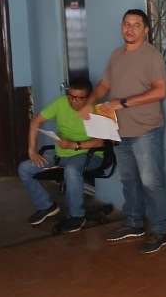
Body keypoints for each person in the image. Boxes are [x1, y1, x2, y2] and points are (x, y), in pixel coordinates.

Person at [80, 9, 166, 255]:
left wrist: (123, 103)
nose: (130, 29)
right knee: (128, 180)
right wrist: (90, 101)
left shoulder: (151, 56)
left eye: (136, 25)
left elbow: (160, 90)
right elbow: (104, 84)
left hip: (145, 129)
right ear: (121, 27)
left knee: (151, 182)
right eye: (126, 24)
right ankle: (133, 223)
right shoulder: (116, 55)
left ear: (145, 30)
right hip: (119, 129)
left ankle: (160, 230)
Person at [18, 77, 104, 233]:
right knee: (24, 168)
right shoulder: (61, 103)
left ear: (89, 97)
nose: (73, 101)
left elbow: (100, 142)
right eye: (70, 96)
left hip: (90, 155)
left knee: (71, 169)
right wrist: (32, 150)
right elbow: (35, 122)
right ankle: (46, 206)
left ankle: (77, 216)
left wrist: (74, 145)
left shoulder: (97, 109)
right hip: (60, 153)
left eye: (79, 98)